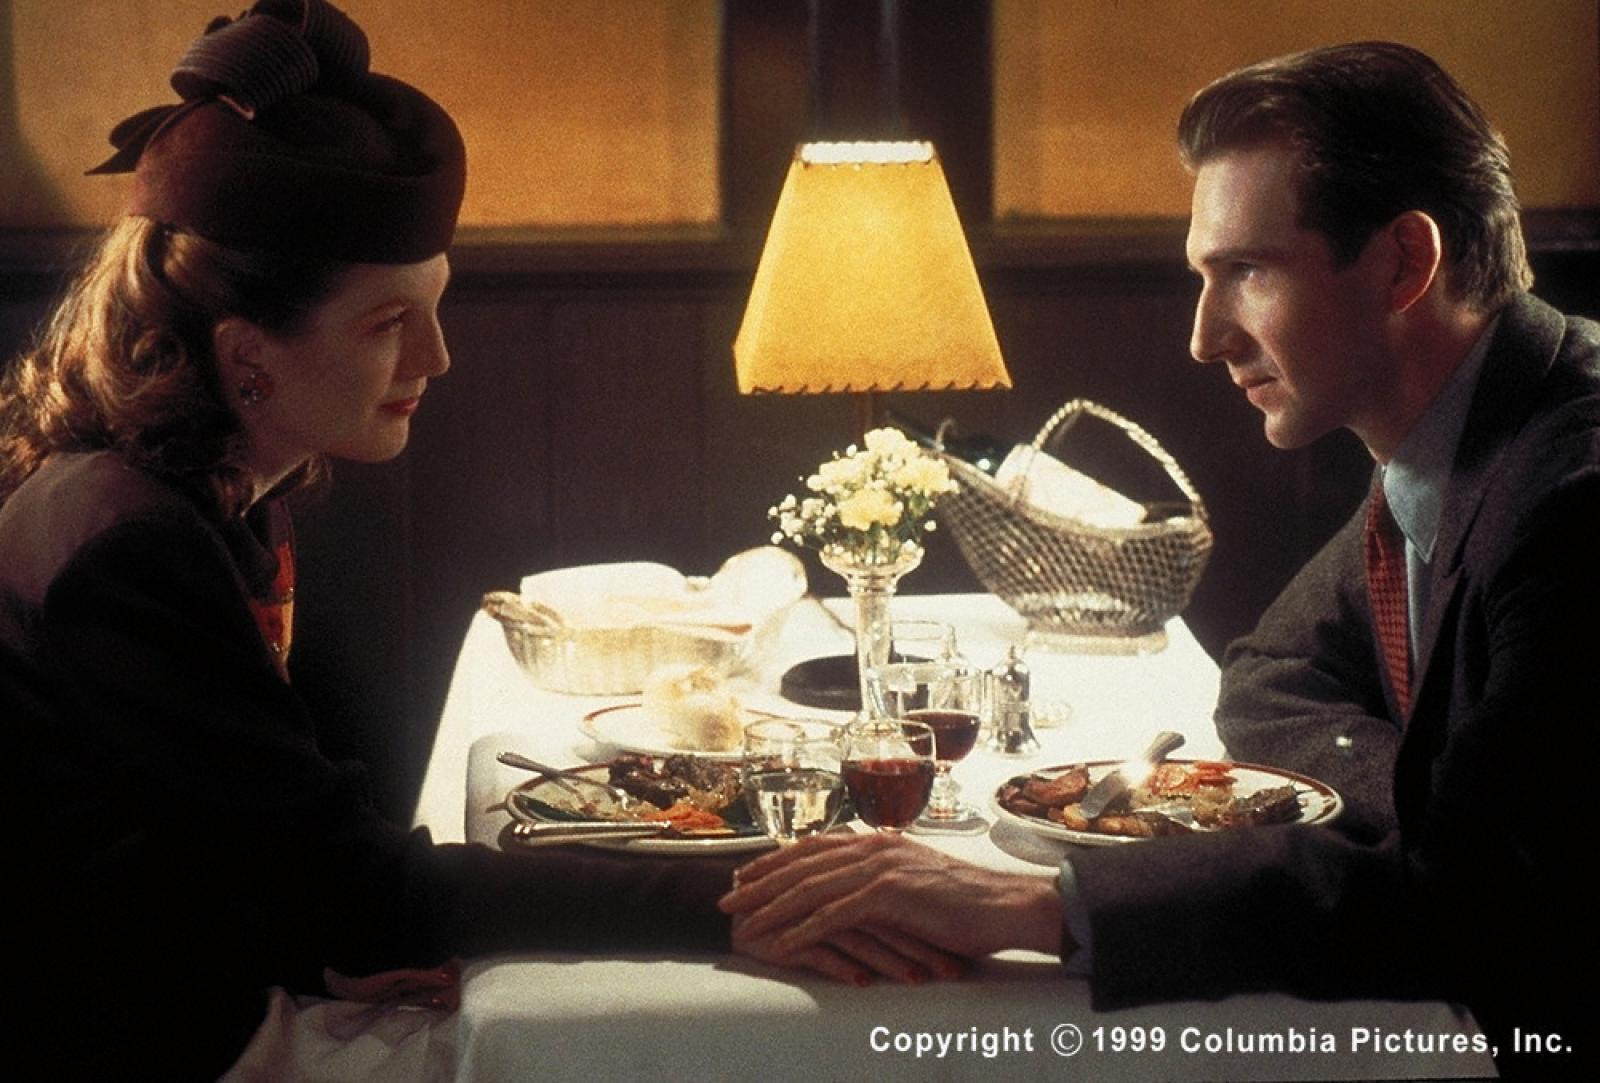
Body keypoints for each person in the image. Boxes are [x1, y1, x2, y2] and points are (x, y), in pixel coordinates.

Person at [0, 4, 935, 1077]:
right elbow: (360, 891)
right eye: (388, 324)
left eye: (435, 309)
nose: (436, 358)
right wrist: (750, 899)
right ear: (247, 352)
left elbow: (254, 853)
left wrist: (321, 939)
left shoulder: (207, 491)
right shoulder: (127, 547)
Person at [721, 41, 1598, 1080]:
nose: (1204, 336)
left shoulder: (1572, 495)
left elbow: (1481, 906)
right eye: (1203, 278)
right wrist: (1424, 808)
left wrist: (1043, 906)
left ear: (1405, 262)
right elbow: (1272, 674)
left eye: (1247, 272)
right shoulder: (1447, 441)